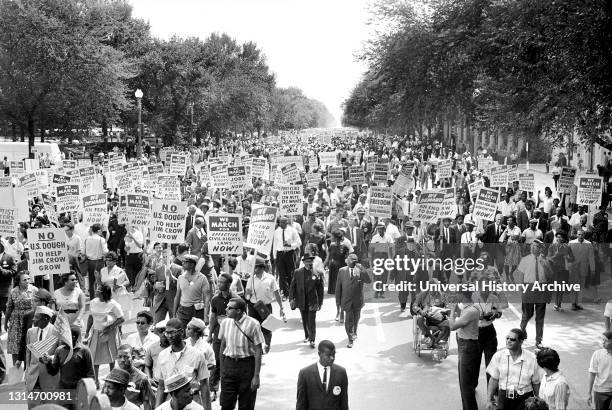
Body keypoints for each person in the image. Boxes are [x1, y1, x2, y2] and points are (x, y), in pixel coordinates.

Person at [154, 318, 211, 410]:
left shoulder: (197, 355)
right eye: (167, 333)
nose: (169, 336)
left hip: (191, 401)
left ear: (181, 332)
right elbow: (161, 387)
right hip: (171, 403)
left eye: (172, 332)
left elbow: (204, 385)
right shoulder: (162, 356)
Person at [218, 297, 264, 410]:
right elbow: (223, 345)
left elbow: (258, 350)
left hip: (246, 366)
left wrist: (256, 376)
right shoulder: (225, 323)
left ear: (238, 311)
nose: (226, 309)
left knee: (246, 405)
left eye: (229, 308)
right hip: (229, 365)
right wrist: (222, 369)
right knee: (226, 404)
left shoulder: (253, 324)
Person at [486, 328, 541, 410]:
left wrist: (539, 401)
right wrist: (489, 400)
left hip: (525, 398)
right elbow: (493, 380)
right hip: (504, 397)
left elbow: (536, 383)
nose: (508, 341)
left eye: (512, 339)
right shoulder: (499, 356)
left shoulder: (531, 358)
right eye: (507, 338)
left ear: (521, 341)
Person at [42, 324, 95, 409]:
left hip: (79, 389)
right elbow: (53, 372)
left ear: (73, 337)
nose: (61, 338)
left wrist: (89, 391)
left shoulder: (85, 351)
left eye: (64, 336)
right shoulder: (59, 350)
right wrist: (47, 363)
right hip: (63, 389)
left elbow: (90, 373)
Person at [85, 282, 125, 386]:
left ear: (103, 293)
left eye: (98, 290)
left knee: (112, 357)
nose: (96, 291)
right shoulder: (93, 302)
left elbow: (121, 319)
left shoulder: (113, 304)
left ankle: (112, 379)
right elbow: (90, 317)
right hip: (96, 332)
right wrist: (87, 331)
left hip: (110, 333)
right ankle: (96, 381)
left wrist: (109, 327)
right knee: (95, 358)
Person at [209, 273, 239, 402]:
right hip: (218, 335)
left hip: (233, 335)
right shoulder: (215, 299)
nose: (219, 284)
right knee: (216, 361)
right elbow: (213, 317)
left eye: (222, 282)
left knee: (232, 362)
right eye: (218, 282)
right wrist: (210, 333)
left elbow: (243, 319)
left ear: (228, 284)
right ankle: (214, 390)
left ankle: (233, 390)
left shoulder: (237, 300)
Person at [517, 241, 552, 349]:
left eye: (536, 246)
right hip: (528, 288)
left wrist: (548, 293)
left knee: (540, 317)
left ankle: (538, 340)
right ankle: (522, 329)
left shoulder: (545, 260)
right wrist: (521, 288)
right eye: (532, 246)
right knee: (527, 314)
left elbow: (550, 276)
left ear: (541, 248)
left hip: (541, 289)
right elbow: (521, 275)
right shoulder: (525, 259)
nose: (533, 248)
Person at [245, 256, 284, 354]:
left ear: (262, 267)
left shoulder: (270, 278)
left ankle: (267, 344)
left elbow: (276, 293)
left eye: (256, 267)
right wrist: (248, 293)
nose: (254, 269)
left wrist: (281, 307)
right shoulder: (251, 279)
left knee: (267, 328)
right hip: (253, 307)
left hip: (266, 307)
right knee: (254, 329)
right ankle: (258, 349)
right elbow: (247, 297)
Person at [449, 290, 480, 410]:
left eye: (457, 294)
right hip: (466, 345)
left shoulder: (470, 311)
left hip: (467, 346)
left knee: (465, 384)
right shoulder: (469, 308)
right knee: (466, 381)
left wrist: (452, 311)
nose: (456, 296)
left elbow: (452, 326)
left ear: (462, 295)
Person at [296, 340, 349, 410]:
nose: (332, 358)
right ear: (319, 354)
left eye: (334, 354)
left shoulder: (341, 372)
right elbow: (301, 403)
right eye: (328, 355)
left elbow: (344, 401)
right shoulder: (305, 374)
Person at [289, 252, 325, 348]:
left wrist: (320, 302)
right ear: (304, 262)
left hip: (313, 301)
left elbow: (320, 290)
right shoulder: (297, 272)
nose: (310, 263)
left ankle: (312, 340)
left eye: (311, 261)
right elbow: (292, 287)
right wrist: (291, 299)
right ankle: (307, 336)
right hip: (301, 300)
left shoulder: (317, 273)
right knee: (304, 320)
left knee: (311, 321)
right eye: (308, 261)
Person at [335, 253, 371, 348]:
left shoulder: (360, 270)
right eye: (350, 260)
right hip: (346, 301)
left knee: (356, 318)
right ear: (347, 261)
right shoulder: (341, 271)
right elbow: (338, 287)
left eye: (354, 261)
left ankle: (354, 331)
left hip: (358, 300)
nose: (351, 262)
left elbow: (368, 281)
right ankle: (350, 338)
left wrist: (363, 269)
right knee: (348, 320)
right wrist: (338, 301)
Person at [25, 306, 59, 397]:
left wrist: (50, 358)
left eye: (36, 317)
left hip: (50, 377)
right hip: (33, 377)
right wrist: (27, 372)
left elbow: (61, 354)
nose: (33, 319)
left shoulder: (57, 332)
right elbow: (28, 354)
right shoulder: (30, 332)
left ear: (45, 319)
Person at [5, 271, 37, 368]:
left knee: (30, 343)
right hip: (16, 321)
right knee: (15, 345)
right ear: (18, 282)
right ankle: (16, 369)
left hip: (30, 319)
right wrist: (5, 321)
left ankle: (30, 368)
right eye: (24, 280)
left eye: (28, 279)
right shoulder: (13, 291)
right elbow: (9, 307)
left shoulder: (34, 290)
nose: (27, 281)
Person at [174, 254, 210, 327]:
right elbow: (177, 296)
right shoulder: (181, 278)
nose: (182, 263)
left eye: (185, 262)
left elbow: (206, 297)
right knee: (182, 332)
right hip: (183, 310)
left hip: (197, 311)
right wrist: (174, 314)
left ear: (192, 264)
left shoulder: (202, 278)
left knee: (196, 333)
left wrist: (206, 315)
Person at [117, 344, 154, 410]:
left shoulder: (142, 378)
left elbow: (147, 403)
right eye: (119, 357)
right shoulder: (114, 374)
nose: (122, 360)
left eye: (126, 357)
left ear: (133, 358)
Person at [273, 216, 302, 299]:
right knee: (282, 274)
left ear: (287, 222)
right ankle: (285, 293)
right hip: (280, 254)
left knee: (291, 273)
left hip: (289, 253)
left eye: (283, 222)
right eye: (280, 222)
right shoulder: (276, 231)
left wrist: (291, 245)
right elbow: (275, 245)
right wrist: (274, 256)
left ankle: (292, 292)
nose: (280, 224)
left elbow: (299, 242)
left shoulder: (292, 230)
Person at [82, 222, 108, 299]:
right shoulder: (101, 239)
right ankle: (101, 297)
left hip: (90, 262)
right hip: (99, 262)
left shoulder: (87, 239)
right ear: (99, 230)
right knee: (101, 280)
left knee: (91, 281)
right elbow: (105, 251)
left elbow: (83, 252)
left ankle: (92, 298)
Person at [588, 331, 612, 409]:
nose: (603, 342)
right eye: (602, 340)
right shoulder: (597, 354)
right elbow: (592, 374)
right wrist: (589, 393)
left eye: (605, 340)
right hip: (600, 391)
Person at [124, 224, 145, 290]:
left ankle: (136, 288)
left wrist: (133, 237)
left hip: (138, 256)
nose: (125, 227)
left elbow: (140, 245)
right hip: (129, 255)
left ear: (131, 226)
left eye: (126, 225)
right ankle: (130, 287)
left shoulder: (139, 233)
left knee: (137, 273)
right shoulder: (127, 234)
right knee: (129, 273)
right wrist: (126, 248)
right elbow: (126, 246)